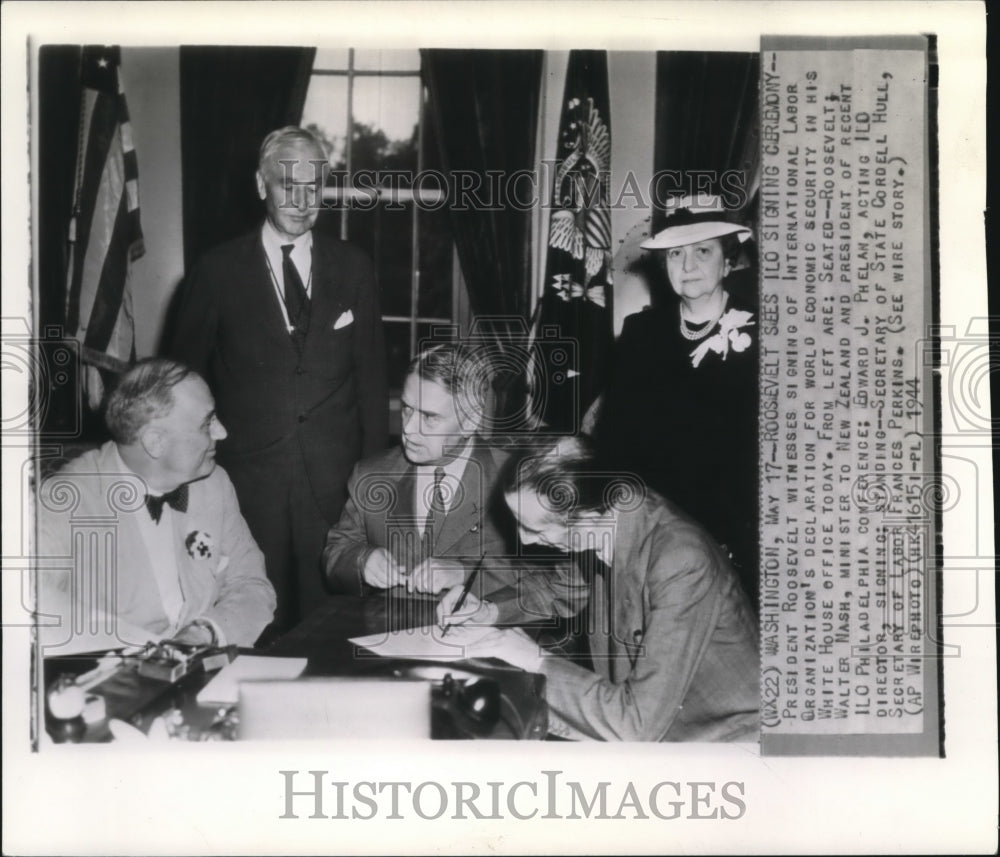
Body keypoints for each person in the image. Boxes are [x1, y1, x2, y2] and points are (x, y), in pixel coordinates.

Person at [168, 126, 388, 635]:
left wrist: (374, 487)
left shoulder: (354, 268)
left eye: (314, 187)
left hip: (336, 489)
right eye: (288, 184)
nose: (302, 200)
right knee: (250, 621)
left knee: (330, 628)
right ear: (260, 185)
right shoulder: (215, 271)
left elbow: (373, 385)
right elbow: (181, 385)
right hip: (246, 484)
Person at [436, 439, 760, 742]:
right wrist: (488, 611)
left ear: (586, 518)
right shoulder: (608, 514)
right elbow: (559, 589)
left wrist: (536, 659)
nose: (523, 540)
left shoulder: (681, 561)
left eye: (533, 528)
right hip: (649, 725)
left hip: (725, 742)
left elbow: (636, 726)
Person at [324, 344, 586, 616]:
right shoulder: (371, 474)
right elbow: (335, 552)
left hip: (484, 640)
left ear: (470, 420)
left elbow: (555, 579)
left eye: (430, 417)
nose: (409, 429)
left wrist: (466, 572)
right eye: (406, 409)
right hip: (386, 633)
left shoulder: (518, 480)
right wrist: (362, 561)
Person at [36, 359, 276, 653]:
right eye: (206, 423)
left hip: (204, 670)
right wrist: (136, 649)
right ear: (155, 442)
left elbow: (253, 584)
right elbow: (20, 597)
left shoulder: (214, 484)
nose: (221, 432)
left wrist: (205, 633)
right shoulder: (68, 498)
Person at [594, 193, 759, 609]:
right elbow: (614, 443)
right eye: (674, 254)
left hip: (733, 539)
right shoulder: (641, 333)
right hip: (650, 530)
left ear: (728, 261)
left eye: (702, 252)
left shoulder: (764, 337)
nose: (687, 266)